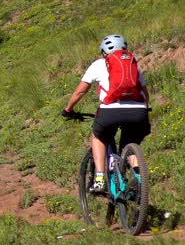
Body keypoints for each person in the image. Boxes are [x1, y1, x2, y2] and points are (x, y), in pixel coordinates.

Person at [62, 34, 150, 193]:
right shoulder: (132, 65)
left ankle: (100, 178)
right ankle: (139, 179)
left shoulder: (98, 64)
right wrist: (144, 108)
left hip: (110, 111)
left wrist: (68, 109)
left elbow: (80, 92)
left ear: (104, 52)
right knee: (130, 143)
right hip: (138, 111)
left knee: (98, 137)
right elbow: (145, 93)